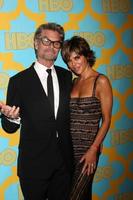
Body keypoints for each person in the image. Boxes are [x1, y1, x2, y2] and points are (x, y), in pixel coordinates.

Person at [0, 23, 74, 200]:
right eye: (46, 40)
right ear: (36, 43)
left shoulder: (66, 76)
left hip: (64, 164)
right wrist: (11, 118)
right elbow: (9, 128)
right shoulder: (18, 81)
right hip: (33, 166)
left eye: (57, 43)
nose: (52, 46)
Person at [61, 36, 113, 200]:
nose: (73, 64)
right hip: (69, 150)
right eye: (69, 60)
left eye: (77, 57)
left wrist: (93, 149)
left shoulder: (101, 81)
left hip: (87, 151)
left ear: (86, 55)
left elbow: (106, 120)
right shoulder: (73, 82)